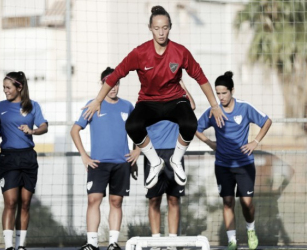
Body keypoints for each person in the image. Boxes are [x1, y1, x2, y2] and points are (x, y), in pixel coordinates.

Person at [82, 5, 226, 190]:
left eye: (165, 28)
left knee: (190, 124)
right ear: (150, 28)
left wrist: (214, 105)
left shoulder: (180, 52)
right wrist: (97, 100)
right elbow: (115, 75)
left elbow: (200, 77)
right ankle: (155, 162)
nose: (161, 33)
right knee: (132, 126)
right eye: (157, 28)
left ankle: (175, 159)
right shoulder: (140, 53)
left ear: (170, 28)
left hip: (175, 99)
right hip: (148, 101)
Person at [195, 71, 272, 250]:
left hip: (244, 164)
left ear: (232, 91)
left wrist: (255, 142)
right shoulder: (214, 111)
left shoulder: (244, 108)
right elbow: (195, 128)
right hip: (223, 165)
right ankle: (232, 241)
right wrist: (210, 143)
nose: (221, 97)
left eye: (224, 93)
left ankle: (251, 229)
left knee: (247, 203)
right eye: (218, 93)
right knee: (228, 201)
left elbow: (267, 121)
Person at [70, 67, 140, 250]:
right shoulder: (93, 104)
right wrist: (84, 156)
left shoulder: (127, 106)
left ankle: (113, 243)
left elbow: (139, 132)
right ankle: (92, 243)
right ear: (103, 84)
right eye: (110, 83)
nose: (114, 87)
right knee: (94, 200)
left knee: (116, 202)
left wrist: (137, 151)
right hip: (98, 163)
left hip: (121, 163)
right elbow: (75, 130)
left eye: (116, 83)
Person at [0, 71, 48, 250]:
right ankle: (9, 246)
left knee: (25, 203)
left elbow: (44, 126)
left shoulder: (33, 106)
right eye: (3, 87)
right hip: (8, 158)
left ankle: (20, 246)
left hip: (28, 158)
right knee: (10, 202)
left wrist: (32, 131)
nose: (5, 91)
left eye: (8, 87)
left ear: (20, 87)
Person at [145, 80, 195, 250]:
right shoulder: (147, 95)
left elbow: (192, 106)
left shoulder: (177, 95)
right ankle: (156, 242)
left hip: (174, 152)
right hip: (153, 153)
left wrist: (181, 82)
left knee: (174, 198)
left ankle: (172, 243)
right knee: (154, 199)